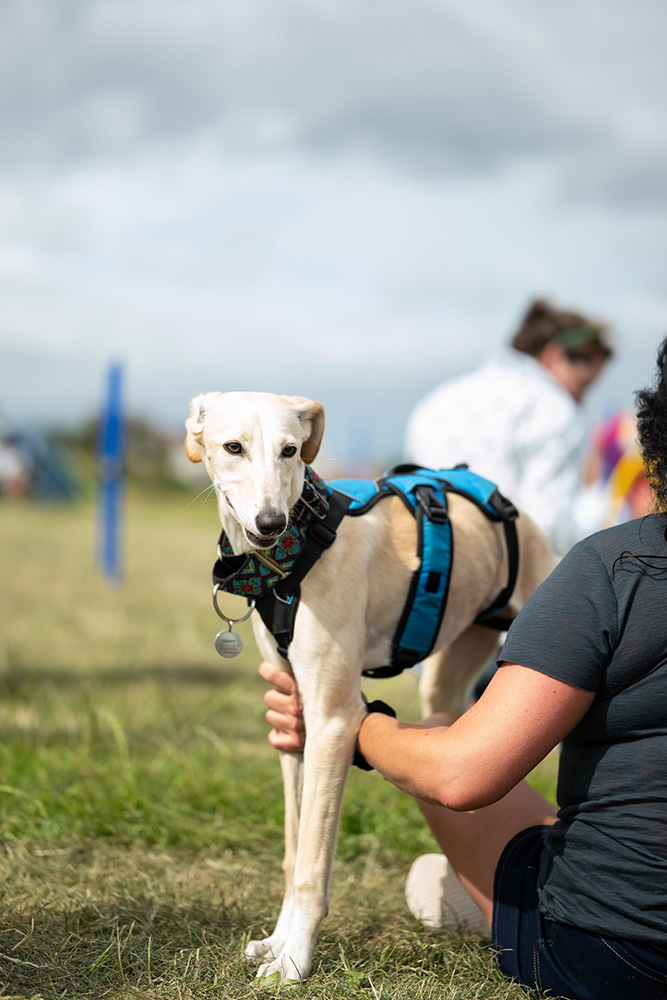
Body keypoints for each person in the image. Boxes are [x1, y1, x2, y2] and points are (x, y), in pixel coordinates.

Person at [258, 336, 667, 1000]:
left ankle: (479, 903)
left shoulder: (617, 566)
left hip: (619, 955)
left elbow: (460, 775)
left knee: (449, 736)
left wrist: (359, 727)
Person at [404, 298, 613, 556]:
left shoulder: (437, 400)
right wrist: (608, 508)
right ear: (555, 356)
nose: (581, 401)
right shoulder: (553, 408)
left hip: (433, 576)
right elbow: (547, 530)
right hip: (508, 584)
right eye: (583, 385)